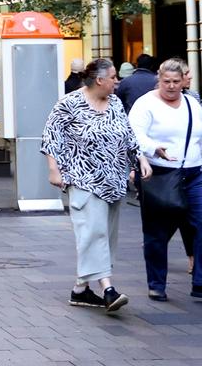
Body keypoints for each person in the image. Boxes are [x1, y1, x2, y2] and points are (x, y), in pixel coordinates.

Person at [43, 58, 149, 313]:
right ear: (99, 80)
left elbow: (127, 134)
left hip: (113, 181)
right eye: (113, 77)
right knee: (94, 232)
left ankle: (80, 290)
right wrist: (53, 170)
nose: (117, 81)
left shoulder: (114, 103)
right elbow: (51, 136)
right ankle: (107, 289)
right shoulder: (69, 104)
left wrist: (140, 158)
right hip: (82, 179)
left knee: (104, 236)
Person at [127, 58, 202, 301]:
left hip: (193, 173)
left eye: (176, 82)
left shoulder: (192, 103)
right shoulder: (146, 104)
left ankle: (199, 282)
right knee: (157, 232)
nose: (171, 86)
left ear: (183, 81)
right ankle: (156, 284)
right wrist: (152, 148)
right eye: (166, 81)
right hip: (159, 175)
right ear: (158, 79)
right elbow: (135, 134)